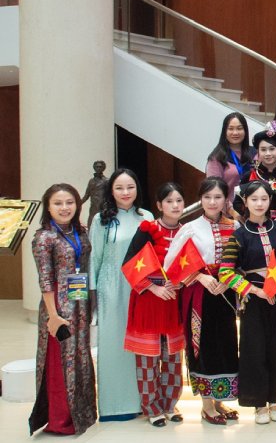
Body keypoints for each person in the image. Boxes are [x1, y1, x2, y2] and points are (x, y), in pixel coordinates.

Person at [164, 177, 241, 424]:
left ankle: (219, 400)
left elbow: (242, 259)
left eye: (218, 197)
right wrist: (199, 276)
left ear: (226, 199)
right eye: (207, 197)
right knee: (203, 344)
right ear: (200, 199)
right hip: (199, 294)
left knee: (226, 343)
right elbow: (171, 263)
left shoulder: (235, 226)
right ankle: (207, 406)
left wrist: (229, 280)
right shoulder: (190, 228)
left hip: (225, 293)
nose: (212, 202)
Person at [29, 184, 97, 436]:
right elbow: (45, 280)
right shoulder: (44, 237)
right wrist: (53, 315)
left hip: (79, 301)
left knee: (80, 357)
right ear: (48, 207)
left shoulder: (79, 231)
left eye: (70, 202)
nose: (65, 208)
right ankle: (60, 419)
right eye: (58, 203)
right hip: (57, 305)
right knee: (61, 361)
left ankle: (82, 415)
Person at [219, 181, 276, 424]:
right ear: (245, 202)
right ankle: (258, 403)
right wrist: (254, 290)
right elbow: (225, 272)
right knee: (254, 350)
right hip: (253, 300)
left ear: (270, 201)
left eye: (264, 199)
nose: (259, 204)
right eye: (254, 199)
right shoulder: (238, 235)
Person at [121, 182, 186, 427]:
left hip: (174, 300)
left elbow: (192, 265)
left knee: (173, 357)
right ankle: (151, 407)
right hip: (149, 297)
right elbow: (128, 263)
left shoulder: (186, 231)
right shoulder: (147, 229)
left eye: (179, 200)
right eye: (169, 201)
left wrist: (181, 282)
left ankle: (170, 404)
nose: (175, 205)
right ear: (159, 205)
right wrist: (153, 288)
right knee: (148, 358)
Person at [90, 168, 152, 420]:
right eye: (119, 188)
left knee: (139, 347)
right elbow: (94, 258)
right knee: (113, 344)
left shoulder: (146, 216)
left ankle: (142, 401)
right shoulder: (101, 220)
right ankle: (113, 406)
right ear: (111, 191)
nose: (125, 192)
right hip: (111, 288)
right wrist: (92, 294)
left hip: (141, 289)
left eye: (130, 187)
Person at [233, 129, 276, 219]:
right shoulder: (249, 176)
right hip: (255, 222)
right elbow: (237, 202)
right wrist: (252, 215)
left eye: (272, 149)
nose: (268, 153)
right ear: (258, 152)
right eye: (263, 150)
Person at [206, 112, 253, 204]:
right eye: (231, 129)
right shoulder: (217, 158)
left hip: (255, 208)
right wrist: (230, 209)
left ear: (245, 130)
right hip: (228, 210)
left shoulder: (255, 154)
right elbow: (214, 190)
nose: (235, 133)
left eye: (239, 128)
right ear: (225, 131)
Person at [81, 160, 107, 225]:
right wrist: (78, 203)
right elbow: (86, 195)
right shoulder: (91, 181)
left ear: (103, 168)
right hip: (93, 207)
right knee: (91, 223)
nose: (98, 168)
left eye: (100, 167)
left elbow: (110, 195)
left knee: (103, 224)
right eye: (97, 167)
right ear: (94, 168)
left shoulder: (106, 181)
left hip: (103, 207)